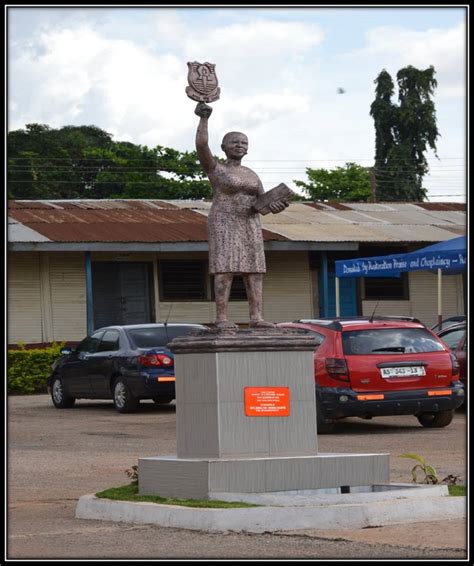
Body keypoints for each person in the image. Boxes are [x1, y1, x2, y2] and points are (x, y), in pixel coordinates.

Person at [194, 101, 288, 330]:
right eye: (234, 142)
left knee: (254, 269)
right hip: (224, 220)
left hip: (250, 222)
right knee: (225, 268)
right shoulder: (217, 169)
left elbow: (261, 202)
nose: (240, 145)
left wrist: (275, 204)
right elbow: (201, 145)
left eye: (244, 142)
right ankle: (222, 318)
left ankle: (256, 317)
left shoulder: (252, 174)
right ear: (224, 146)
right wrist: (203, 118)